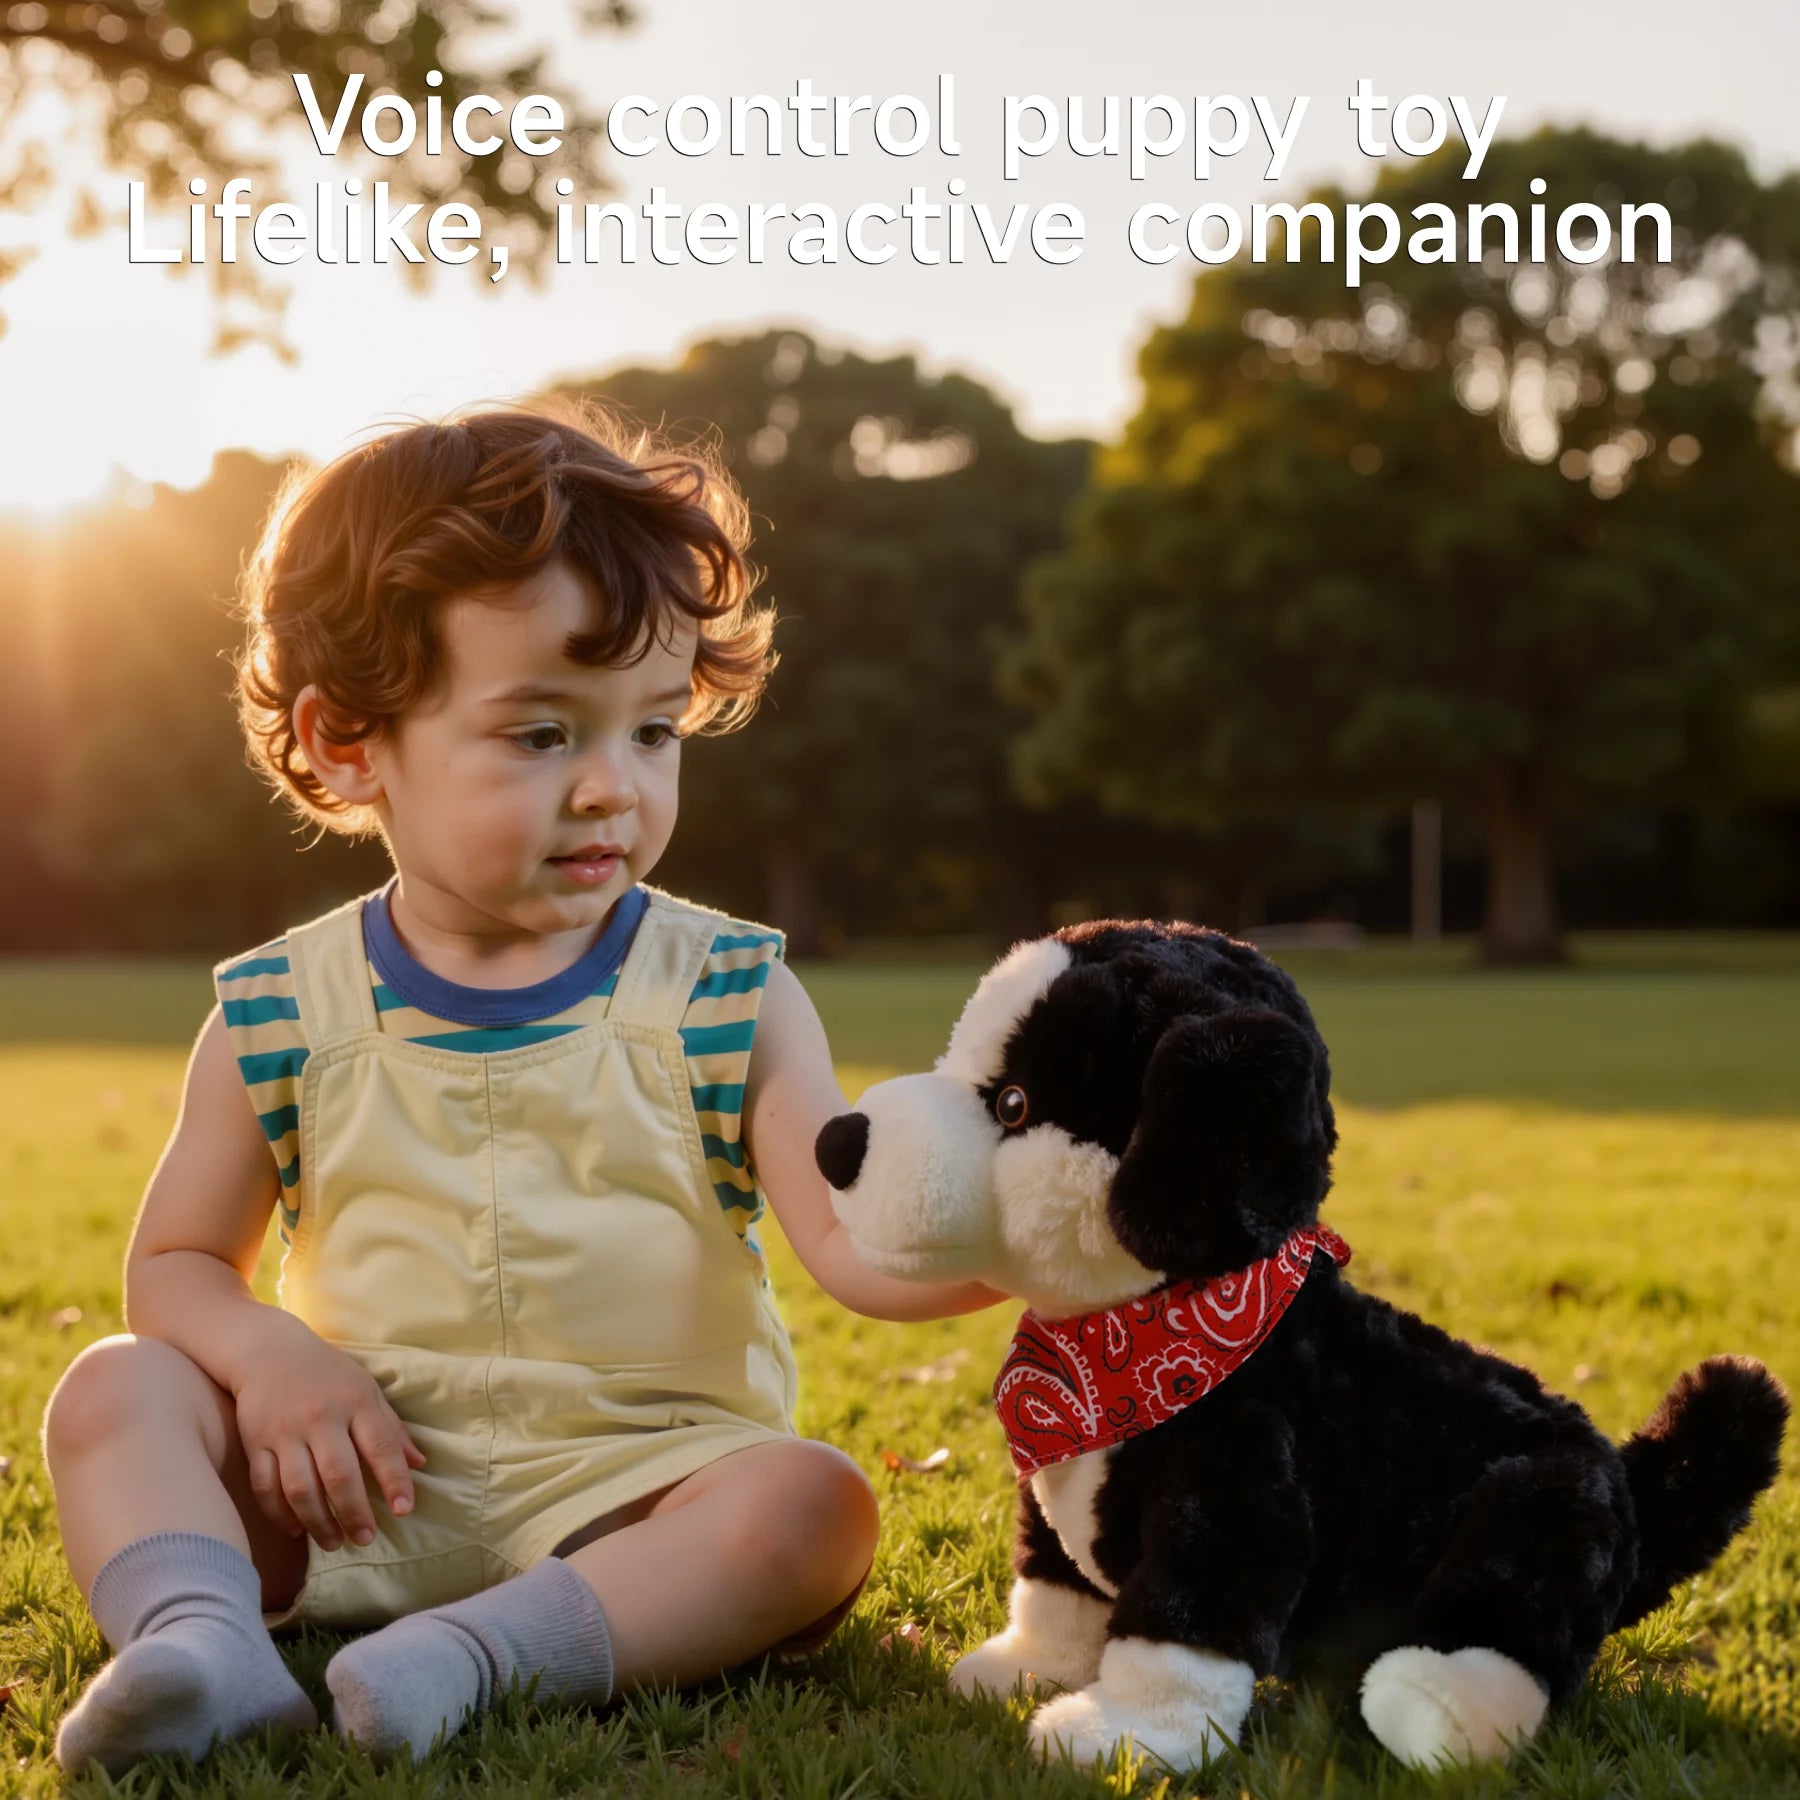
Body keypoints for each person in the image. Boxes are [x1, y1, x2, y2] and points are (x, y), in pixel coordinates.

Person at [40, 403, 1000, 1775]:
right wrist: (272, 1358)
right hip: (350, 1482)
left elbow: (849, 1241)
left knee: (813, 1506)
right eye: (544, 735)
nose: (614, 788)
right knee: (112, 1393)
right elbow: (180, 1263)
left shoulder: (726, 994)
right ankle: (198, 1641)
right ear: (351, 741)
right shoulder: (279, 1011)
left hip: (633, 1499)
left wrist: (1028, 1241)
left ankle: (476, 1655)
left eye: (654, 733)